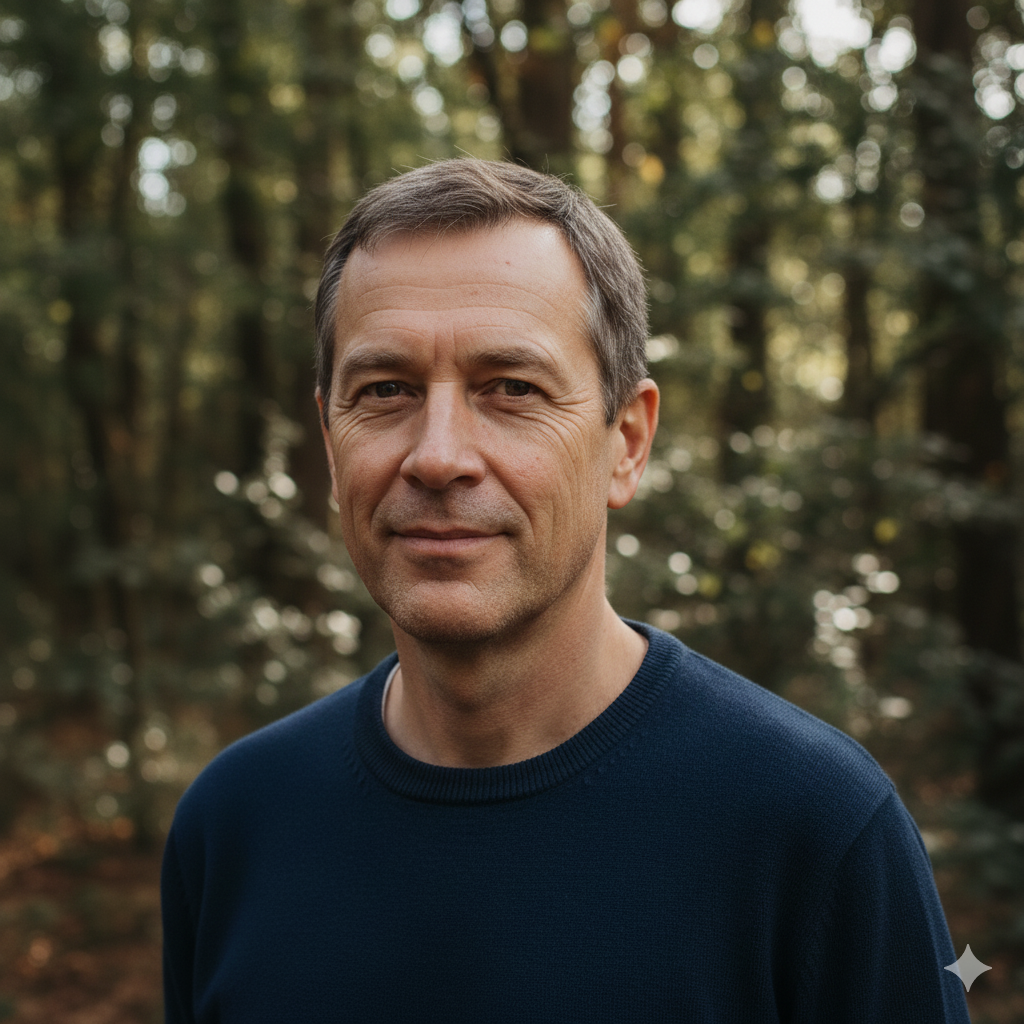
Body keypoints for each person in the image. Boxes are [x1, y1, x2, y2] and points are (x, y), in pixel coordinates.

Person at [161, 159, 970, 1023]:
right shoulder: (234, 827)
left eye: (511, 389)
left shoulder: (814, 831)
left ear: (625, 441)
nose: (437, 456)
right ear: (331, 444)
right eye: (385, 390)